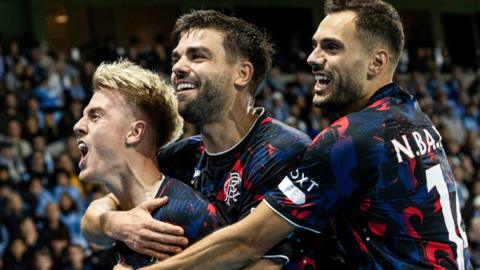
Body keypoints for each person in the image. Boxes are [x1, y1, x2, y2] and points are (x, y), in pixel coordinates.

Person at [133, 1, 472, 269]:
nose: (313, 58)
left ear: (376, 63)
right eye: (315, 46)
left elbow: (247, 241)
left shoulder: (346, 139)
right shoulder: (413, 116)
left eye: (332, 48)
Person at [80, 10, 332, 269]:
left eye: (197, 56)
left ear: (242, 73)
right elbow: (94, 218)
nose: (177, 67)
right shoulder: (181, 155)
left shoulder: (284, 152)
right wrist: (113, 223)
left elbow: (260, 262)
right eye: (176, 58)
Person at [73, 59, 226, 268]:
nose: (78, 126)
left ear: (135, 132)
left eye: (95, 116)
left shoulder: (187, 213)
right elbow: (90, 225)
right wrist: (112, 223)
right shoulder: (124, 210)